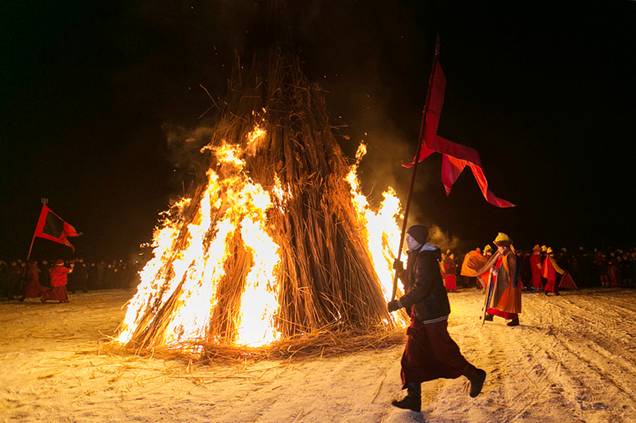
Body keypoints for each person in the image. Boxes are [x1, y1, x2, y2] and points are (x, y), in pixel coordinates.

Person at [387, 224, 486, 412]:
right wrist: (400, 271)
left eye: (411, 238)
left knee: (442, 351)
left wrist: (399, 303)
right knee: (412, 354)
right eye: (407, 238)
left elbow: (421, 288)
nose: (407, 240)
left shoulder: (426, 258)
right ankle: (413, 397)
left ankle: (475, 375)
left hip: (433, 312)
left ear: (419, 239)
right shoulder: (414, 255)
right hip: (420, 312)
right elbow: (411, 283)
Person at [468, 232, 521, 327]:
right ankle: (490, 314)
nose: (497, 248)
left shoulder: (510, 255)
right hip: (500, 281)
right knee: (498, 299)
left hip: (509, 283)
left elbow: (511, 272)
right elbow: (501, 266)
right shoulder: (503, 254)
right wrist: (494, 270)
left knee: (506, 302)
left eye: (498, 246)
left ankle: (514, 319)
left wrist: (497, 272)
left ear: (504, 246)